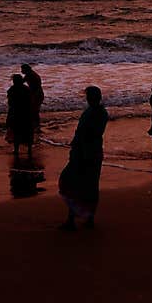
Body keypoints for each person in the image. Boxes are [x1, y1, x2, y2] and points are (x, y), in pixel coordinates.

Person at [58, 86, 109, 230]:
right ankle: (87, 218)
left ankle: (72, 219)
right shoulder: (101, 113)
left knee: (70, 183)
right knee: (90, 186)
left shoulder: (92, 113)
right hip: (93, 153)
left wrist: (77, 149)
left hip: (84, 154)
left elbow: (85, 134)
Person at [5, 74, 33, 157]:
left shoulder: (12, 90)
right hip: (26, 113)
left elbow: (10, 103)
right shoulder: (26, 89)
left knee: (16, 131)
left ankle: (16, 150)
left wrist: (9, 116)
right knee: (28, 131)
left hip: (15, 112)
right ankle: (29, 149)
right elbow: (30, 102)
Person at [21, 63, 44, 131]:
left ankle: (36, 126)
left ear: (26, 69)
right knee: (34, 111)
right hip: (38, 94)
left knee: (34, 111)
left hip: (37, 95)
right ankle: (36, 125)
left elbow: (22, 82)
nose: (21, 71)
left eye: (22, 69)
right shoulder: (30, 74)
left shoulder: (30, 75)